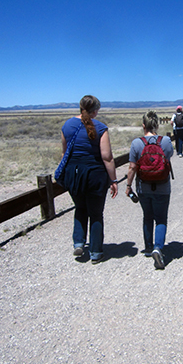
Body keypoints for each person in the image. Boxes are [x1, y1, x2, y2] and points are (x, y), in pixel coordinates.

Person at [60, 95, 118, 264]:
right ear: (95, 110)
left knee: (80, 207)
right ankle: (95, 252)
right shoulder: (100, 128)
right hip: (95, 175)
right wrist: (113, 180)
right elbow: (107, 157)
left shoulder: (67, 126)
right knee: (96, 213)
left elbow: (64, 154)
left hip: (74, 173)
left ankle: (79, 242)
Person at [126, 111, 174, 270]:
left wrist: (128, 186)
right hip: (162, 186)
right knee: (161, 218)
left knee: (148, 216)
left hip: (143, 187)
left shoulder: (136, 143)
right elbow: (168, 157)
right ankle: (158, 248)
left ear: (143, 125)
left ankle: (148, 248)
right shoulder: (165, 141)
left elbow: (132, 167)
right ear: (157, 125)